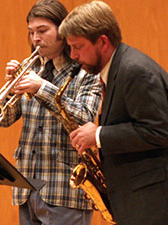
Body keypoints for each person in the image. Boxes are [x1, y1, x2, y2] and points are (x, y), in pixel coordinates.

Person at [59, 1, 168, 225]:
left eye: (78, 47)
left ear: (103, 42)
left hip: (151, 203)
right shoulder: (117, 68)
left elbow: (159, 130)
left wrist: (98, 135)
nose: (73, 55)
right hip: (136, 198)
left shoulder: (135, 70)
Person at [0, 0, 101, 224]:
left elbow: (85, 118)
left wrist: (42, 88)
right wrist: (9, 90)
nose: (36, 38)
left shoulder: (87, 72)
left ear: (63, 32)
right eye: (32, 32)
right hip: (27, 187)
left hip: (65, 189)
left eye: (43, 31)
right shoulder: (30, 67)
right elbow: (3, 120)